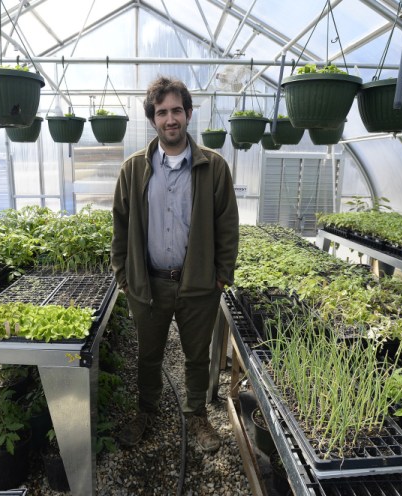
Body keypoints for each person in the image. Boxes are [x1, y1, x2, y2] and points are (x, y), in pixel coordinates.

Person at [110, 76, 239, 453]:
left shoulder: (212, 168)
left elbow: (227, 225)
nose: (170, 119)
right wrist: (124, 275)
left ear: (188, 114)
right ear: (153, 119)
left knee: (196, 356)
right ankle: (146, 412)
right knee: (148, 355)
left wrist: (221, 276)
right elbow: (119, 225)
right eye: (162, 112)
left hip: (198, 285)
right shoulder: (134, 169)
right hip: (148, 284)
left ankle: (196, 416)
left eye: (176, 111)